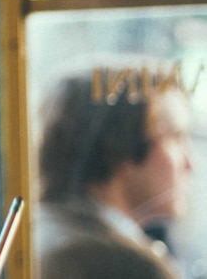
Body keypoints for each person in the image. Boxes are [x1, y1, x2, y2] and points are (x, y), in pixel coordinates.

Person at [34, 56, 195, 279]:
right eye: (175, 137)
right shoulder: (126, 265)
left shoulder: (25, 235)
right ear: (124, 146)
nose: (189, 164)